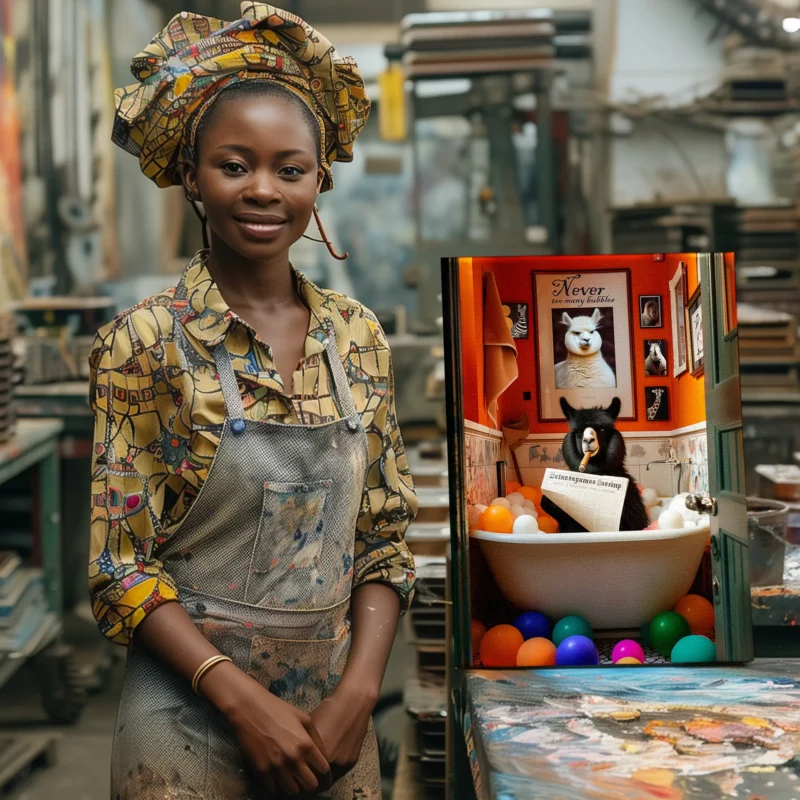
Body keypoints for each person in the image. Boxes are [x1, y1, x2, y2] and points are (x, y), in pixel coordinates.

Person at [87, 5, 417, 797]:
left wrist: (360, 693)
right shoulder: (146, 342)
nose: (264, 190)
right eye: (235, 165)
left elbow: (384, 540)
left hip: (332, 720)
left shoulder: (358, 336)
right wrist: (241, 701)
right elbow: (119, 566)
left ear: (320, 179)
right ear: (193, 175)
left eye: (289, 169)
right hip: (188, 717)